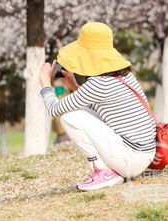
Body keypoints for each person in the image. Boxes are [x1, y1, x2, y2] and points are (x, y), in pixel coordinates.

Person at [38, 22, 156, 191]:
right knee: (80, 111)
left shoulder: (99, 84)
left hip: (131, 159)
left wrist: (45, 83)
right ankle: (109, 171)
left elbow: (53, 109)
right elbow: (100, 107)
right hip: (145, 154)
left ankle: (103, 172)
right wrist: (74, 85)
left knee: (70, 117)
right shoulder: (122, 75)